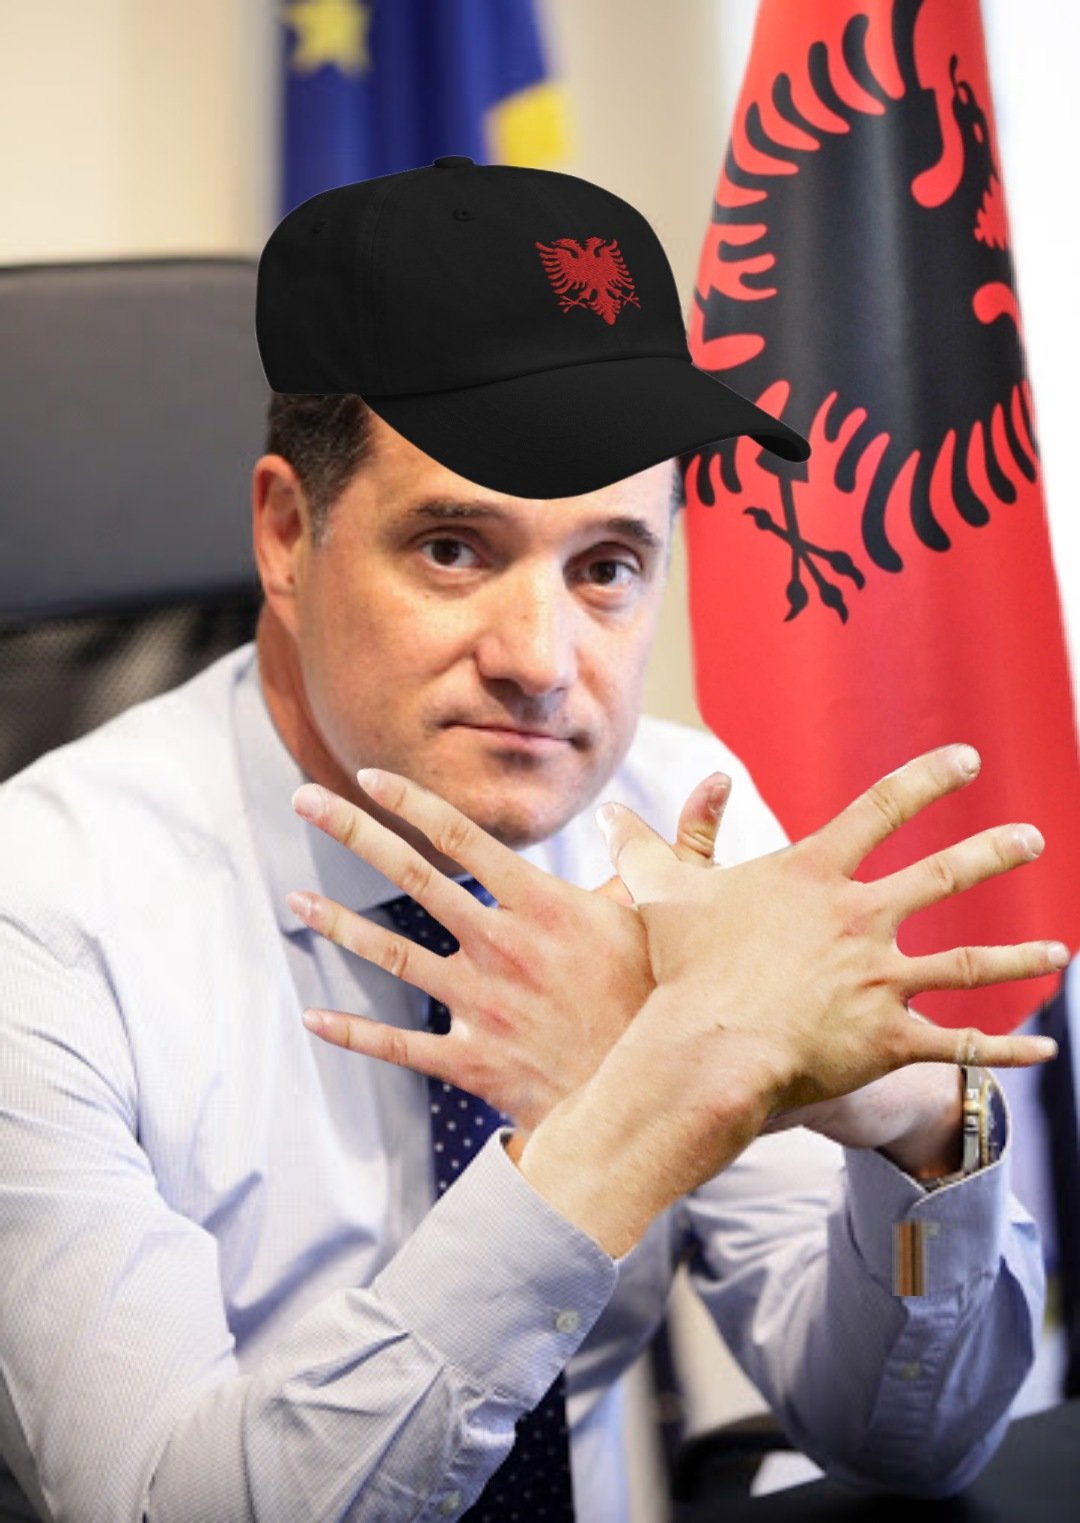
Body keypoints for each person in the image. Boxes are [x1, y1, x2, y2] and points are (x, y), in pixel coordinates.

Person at [0, 160, 1064, 1523]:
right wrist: (626, 1132)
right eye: (454, 548)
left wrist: (907, 1124)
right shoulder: (44, 913)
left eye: (607, 567)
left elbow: (912, 1443)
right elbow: (162, 1505)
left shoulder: (683, 818)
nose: (542, 661)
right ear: (285, 533)